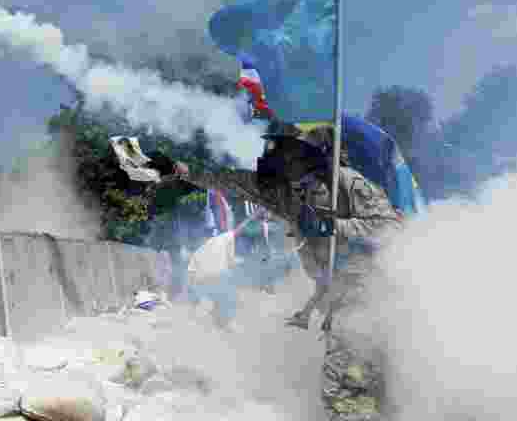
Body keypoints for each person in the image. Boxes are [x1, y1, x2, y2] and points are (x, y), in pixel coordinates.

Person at [157, 121, 404, 420]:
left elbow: (389, 227)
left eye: (293, 153)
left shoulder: (349, 183)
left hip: (368, 290)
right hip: (337, 295)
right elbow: (232, 181)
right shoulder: (286, 193)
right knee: (362, 378)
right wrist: (180, 170)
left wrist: (333, 225)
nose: (282, 159)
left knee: (345, 382)